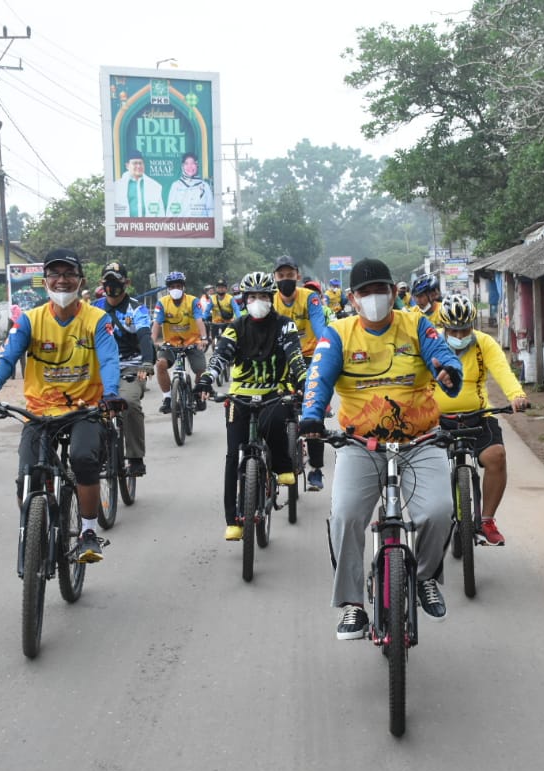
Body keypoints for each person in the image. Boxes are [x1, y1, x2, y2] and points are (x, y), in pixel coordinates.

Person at [299, 258, 463, 639]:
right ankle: (353, 604)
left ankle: (425, 577)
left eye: (381, 290)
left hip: (420, 441)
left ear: (394, 293)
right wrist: (311, 416)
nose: (374, 298)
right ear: (353, 299)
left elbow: (445, 358)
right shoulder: (338, 335)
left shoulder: (416, 324)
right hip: (360, 443)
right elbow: (318, 378)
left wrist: (448, 371)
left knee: (439, 511)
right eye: (366, 292)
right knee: (345, 516)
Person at [0, 249, 124, 564]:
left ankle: (88, 532)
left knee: (83, 460)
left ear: (81, 281)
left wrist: (111, 394)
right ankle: (37, 525)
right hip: (39, 411)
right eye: (55, 274)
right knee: (28, 475)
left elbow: (108, 359)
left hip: (85, 408)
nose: (62, 280)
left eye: (69, 274)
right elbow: (7, 356)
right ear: (45, 281)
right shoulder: (30, 320)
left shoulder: (97, 318)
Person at [195, 272, 307, 541]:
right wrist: (207, 380)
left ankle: (281, 466)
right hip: (240, 397)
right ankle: (232, 520)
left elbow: (295, 356)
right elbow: (220, 356)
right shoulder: (236, 327)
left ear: (272, 299)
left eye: (263, 297)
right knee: (233, 455)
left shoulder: (285, 325)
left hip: (273, 393)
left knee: (280, 419)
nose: (258, 301)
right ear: (244, 300)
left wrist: (304, 381)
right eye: (252, 297)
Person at [432, 294, 528, 546]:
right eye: (454, 329)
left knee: (496, 456)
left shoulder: (484, 342)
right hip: (436, 419)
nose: (461, 335)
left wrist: (516, 395)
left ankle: (486, 520)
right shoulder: (431, 345)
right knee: (429, 469)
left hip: (478, 415)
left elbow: (502, 371)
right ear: (444, 328)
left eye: (465, 329)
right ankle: (437, 516)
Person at [91, 261, 154, 477]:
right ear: (102, 284)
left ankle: (135, 457)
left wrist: (147, 362)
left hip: (131, 366)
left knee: (129, 403)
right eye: (108, 282)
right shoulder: (94, 308)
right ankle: (95, 453)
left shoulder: (137, 308)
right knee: (87, 408)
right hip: (99, 368)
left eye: (116, 282)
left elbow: (145, 335)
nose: (112, 286)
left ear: (126, 283)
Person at [272, 254, 330, 491]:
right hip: (281, 358)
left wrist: (327, 347)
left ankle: (316, 469)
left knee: (312, 413)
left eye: (290, 275)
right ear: (275, 278)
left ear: (297, 275)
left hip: (309, 358)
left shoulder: (310, 298)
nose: (286, 279)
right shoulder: (271, 300)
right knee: (271, 407)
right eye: (281, 275)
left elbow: (319, 327)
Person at [152, 270, 209, 414]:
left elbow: (199, 320)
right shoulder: (162, 303)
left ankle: (197, 394)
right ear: (168, 288)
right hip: (170, 343)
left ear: (183, 286)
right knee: (160, 364)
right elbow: (156, 324)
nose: (175, 289)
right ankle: (167, 398)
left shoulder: (193, 301)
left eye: (178, 285)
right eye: (172, 286)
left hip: (192, 342)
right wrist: (152, 342)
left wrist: (203, 338)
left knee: (201, 369)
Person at [113, 150, 163, 218]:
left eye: (140, 163)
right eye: (135, 163)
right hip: (125, 227)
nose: (138, 166)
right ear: (127, 166)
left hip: (149, 227)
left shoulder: (154, 186)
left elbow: (160, 213)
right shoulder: (117, 187)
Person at [166, 152, 215, 217]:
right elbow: (170, 211)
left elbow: (210, 210)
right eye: (186, 164)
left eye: (193, 163)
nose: (190, 166)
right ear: (182, 166)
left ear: (197, 165)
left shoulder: (205, 186)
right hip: (182, 226)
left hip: (201, 226)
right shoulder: (176, 186)